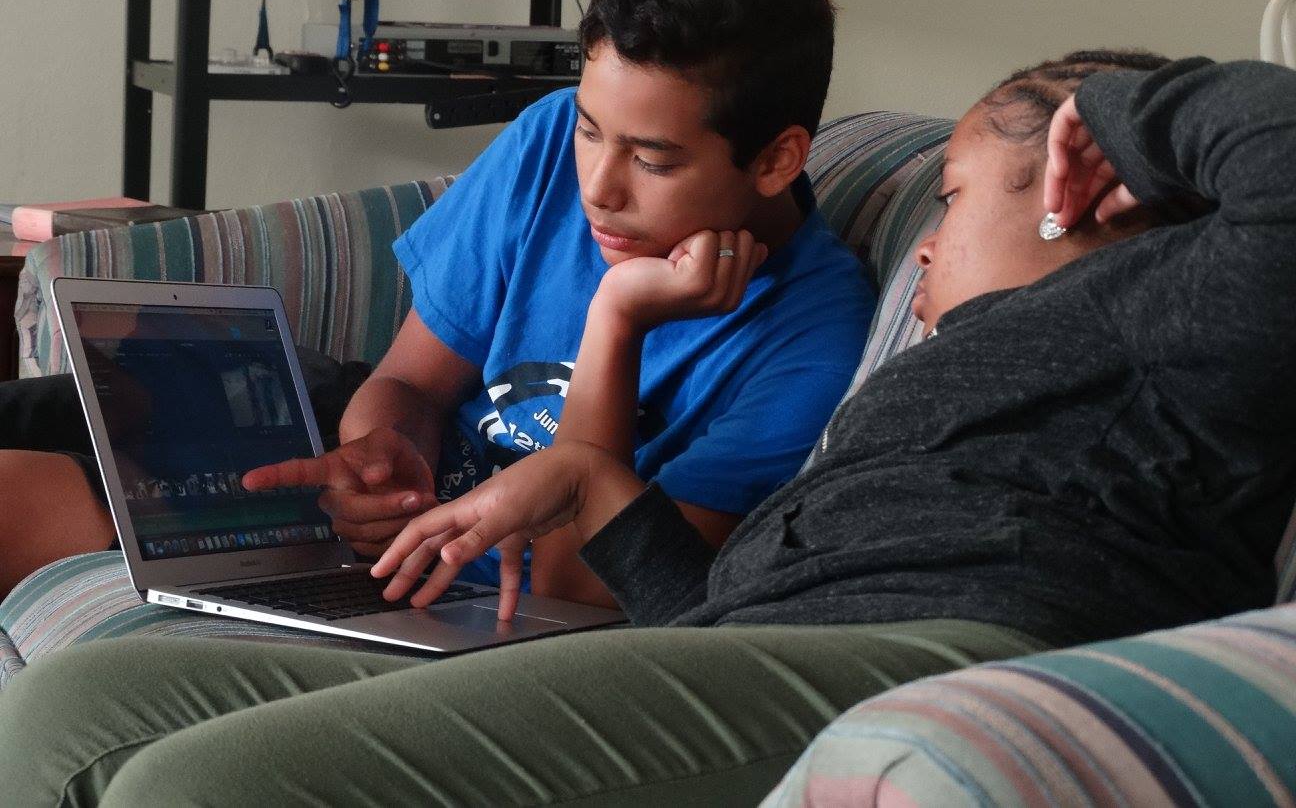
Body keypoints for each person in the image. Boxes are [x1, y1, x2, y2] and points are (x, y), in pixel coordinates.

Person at [4, 53, 1290, 805]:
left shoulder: (1174, 308)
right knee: (79, 707)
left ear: (1085, 190)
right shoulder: (959, 363)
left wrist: (1125, 105)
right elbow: (709, 621)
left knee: (197, 790)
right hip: (764, 643)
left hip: (951, 659)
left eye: (953, 198)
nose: (927, 243)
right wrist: (588, 477)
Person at [0, 0, 874, 601]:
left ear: (776, 159)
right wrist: (383, 457)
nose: (597, 189)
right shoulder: (546, 144)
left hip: (459, 584)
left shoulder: (812, 342)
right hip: (357, 475)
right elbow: (409, 382)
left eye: (652, 161)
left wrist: (618, 316)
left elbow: (580, 584)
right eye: (591, 130)